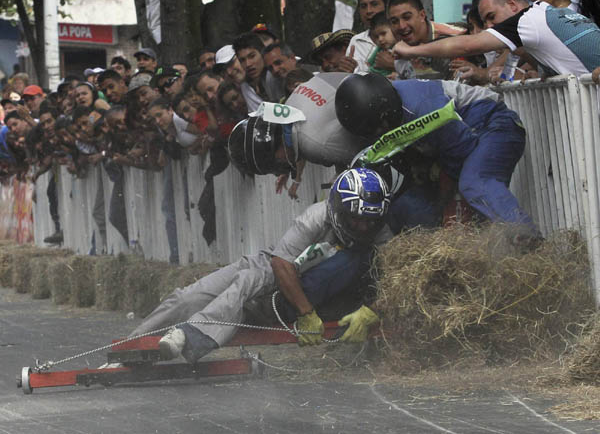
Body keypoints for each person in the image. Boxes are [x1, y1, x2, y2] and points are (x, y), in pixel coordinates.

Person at [128, 167, 392, 364]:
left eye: (370, 221)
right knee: (190, 296)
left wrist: (371, 311)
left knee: (245, 283)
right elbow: (280, 262)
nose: (363, 227)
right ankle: (130, 345)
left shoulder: (382, 234)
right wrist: (306, 313)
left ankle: (191, 335)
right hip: (283, 271)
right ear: (338, 209)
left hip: (318, 291)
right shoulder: (315, 216)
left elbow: (396, 279)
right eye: (355, 219)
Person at [334, 72, 538, 237]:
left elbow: (464, 152)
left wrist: (446, 200)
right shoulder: (386, 100)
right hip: (465, 138)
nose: (380, 132)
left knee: (475, 182)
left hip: (493, 126)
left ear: (385, 113)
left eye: (381, 127)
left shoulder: (424, 110)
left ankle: (526, 237)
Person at [392, 0, 600, 77]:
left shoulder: (528, 20)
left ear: (512, 4)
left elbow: (466, 46)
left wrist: (410, 51)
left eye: (491, 17)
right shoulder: (549, 17)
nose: (489, 27)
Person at [387, 0, 466, 79]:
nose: (401, 26)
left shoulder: (453, 37)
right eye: (394, 22)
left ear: (422, 15)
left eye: (407, 17)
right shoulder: (397, 46)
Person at [232, 32, 285, 110]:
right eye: (242, 60)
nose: (248, 64)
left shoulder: (277, 73)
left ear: (262, 53)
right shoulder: (245, 87)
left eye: (252, 56)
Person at [348, 0, 390, 73]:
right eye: (363, 6)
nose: (368, 11)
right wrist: (347, 70)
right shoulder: (356, 41)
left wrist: (395, 65)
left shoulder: (401, 37)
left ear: (387, 6)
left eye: (374, 4)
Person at [368, 12, 415, 80]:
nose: (380, 39)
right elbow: (369, 63)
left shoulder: (404, 48)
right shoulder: (379, 49)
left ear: (394, 29)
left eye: (383, 34)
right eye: (377, 37)